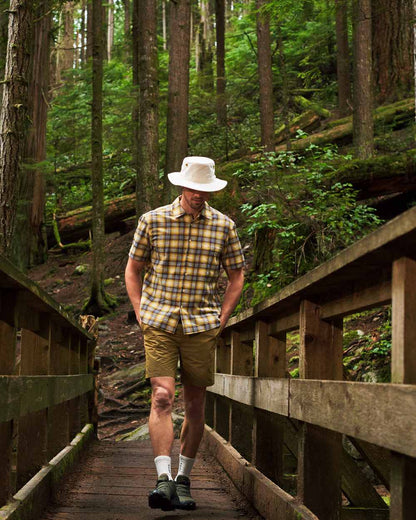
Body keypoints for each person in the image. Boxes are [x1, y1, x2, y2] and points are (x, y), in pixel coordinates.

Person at [125, 156, 245, 511]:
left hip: (201, 325)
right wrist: (140, 311)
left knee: (195, 406)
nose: (198, 195)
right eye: (193, 188)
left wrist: (223, 316)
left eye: (204, 190)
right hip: (159, 321)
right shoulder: (153, 220)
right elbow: (132, 270)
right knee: (162, 396)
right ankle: (163, 480)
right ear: (181, 186)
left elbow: (237, 275)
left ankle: (184, 479)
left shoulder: (224, 226)